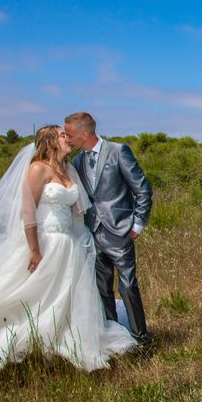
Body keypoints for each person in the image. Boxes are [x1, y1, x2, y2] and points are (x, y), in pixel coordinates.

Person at [0, 126, 137, 371]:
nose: (67, 138)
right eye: (62, 135)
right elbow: (27, 212)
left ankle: (65, 336)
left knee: (67, 295)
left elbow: (79, 210)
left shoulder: (69, 169)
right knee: (29, 293)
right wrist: (34, 249)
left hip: (69, 242)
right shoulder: (37, 169)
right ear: (49, 141)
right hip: (45, 241)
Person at [64, 112, 153, 345]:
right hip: (92, 232)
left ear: (85, 133)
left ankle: (140, 337)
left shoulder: (118, 151)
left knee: (128, 285)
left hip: (120, 230)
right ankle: (114, 337)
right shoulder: (77, 161)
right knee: (102, 288)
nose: (68, 139)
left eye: (70, 135)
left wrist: (137, 225)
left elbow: (143, 189)